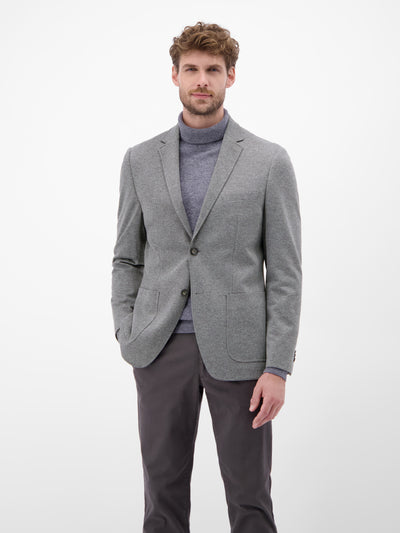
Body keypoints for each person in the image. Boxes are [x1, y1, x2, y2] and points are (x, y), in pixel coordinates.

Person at [111, 21, 302, 533]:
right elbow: (126, 258)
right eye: (191, 69)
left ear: (230, 76)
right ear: (174, 75)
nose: (202, 80)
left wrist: (277, 367)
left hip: (242, 354)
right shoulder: (140, 160)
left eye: (213, 70)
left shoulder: (268, 161)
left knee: (250, 498)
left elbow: (285, 272)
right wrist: (127, 329)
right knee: (162, 499)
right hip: (159, 347)